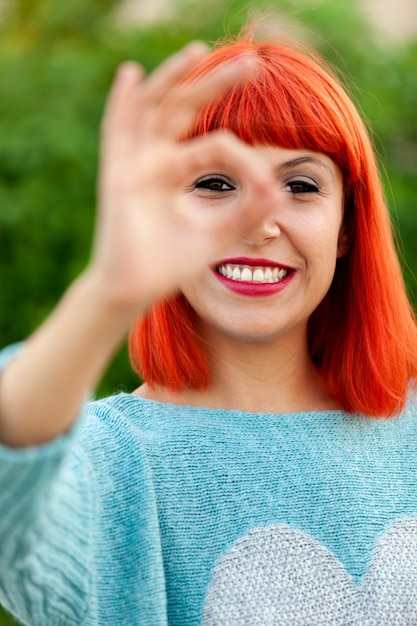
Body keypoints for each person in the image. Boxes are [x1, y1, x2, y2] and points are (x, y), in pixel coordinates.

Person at [0, 25, 417, 626]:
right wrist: (108, 291)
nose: (260, 223)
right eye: (216, 183)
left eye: (300, 186)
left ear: (348, 226)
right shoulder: (114, 463)